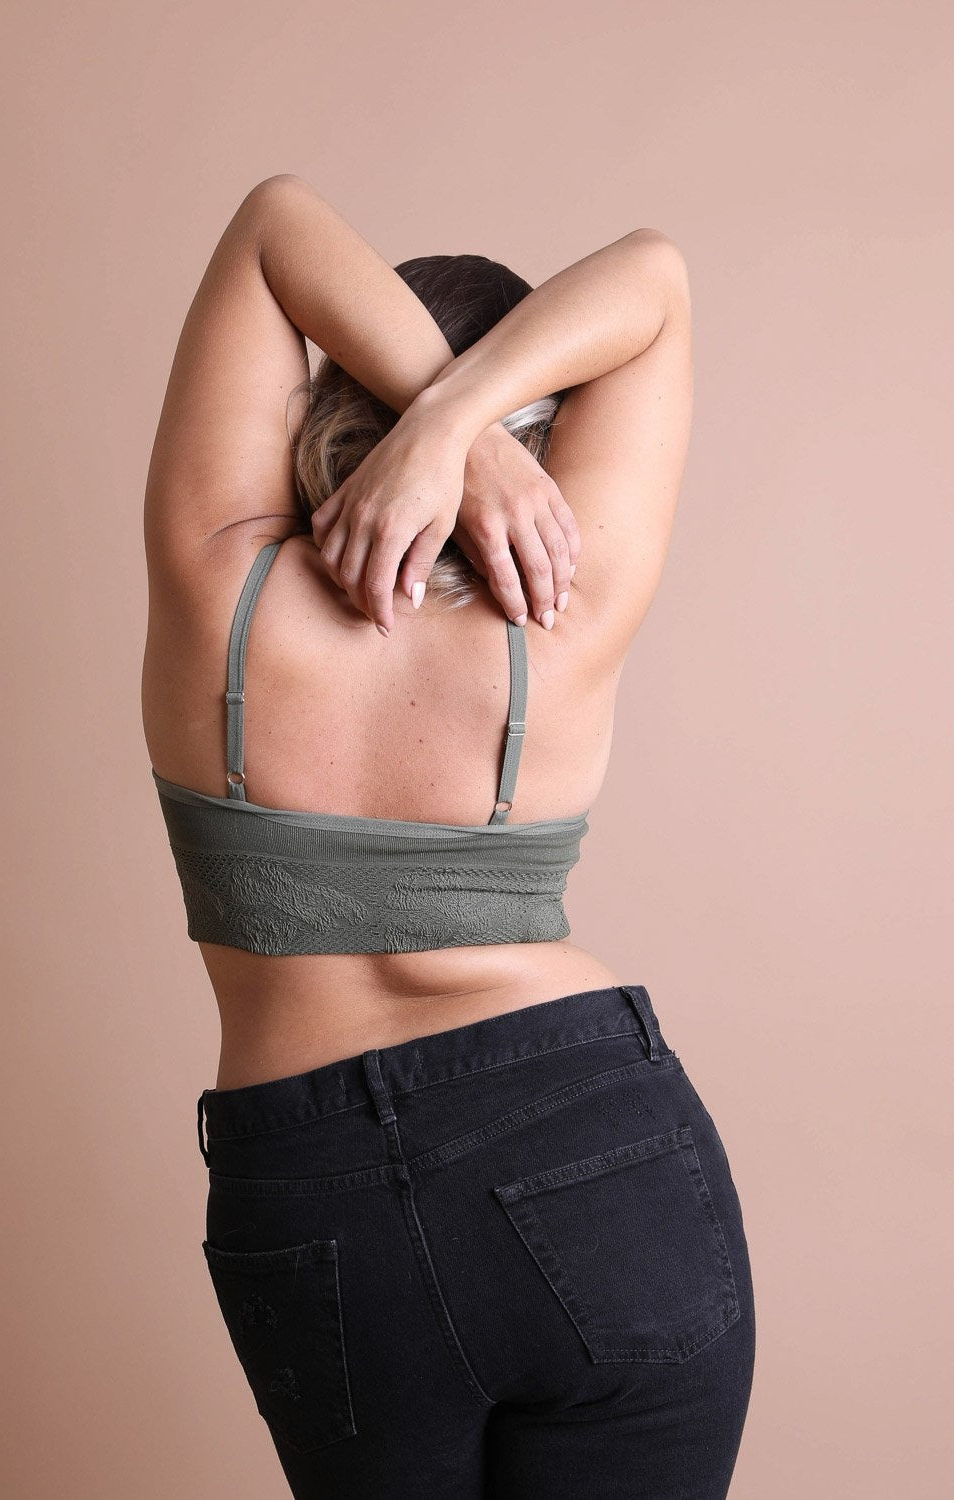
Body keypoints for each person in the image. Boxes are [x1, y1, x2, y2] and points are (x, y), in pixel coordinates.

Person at [141, 174, 755, 1498]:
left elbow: (273, 225)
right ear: (547, 429)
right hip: (591, 1135)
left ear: (323, 400)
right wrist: (467, 423)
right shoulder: (565, 604)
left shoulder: (218, 580)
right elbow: (653, 275)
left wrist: (431, 420)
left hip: (312, 1185)